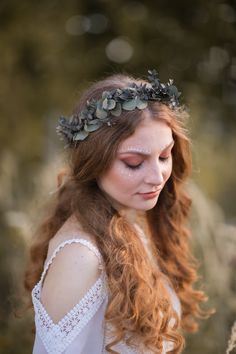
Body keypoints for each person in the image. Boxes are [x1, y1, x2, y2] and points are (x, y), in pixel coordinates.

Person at [24, 70, 212, 354]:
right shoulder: (80, 258)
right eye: (134, 163)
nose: (157, 176)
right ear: (94, 162)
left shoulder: (129, 218)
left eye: (164, 156)